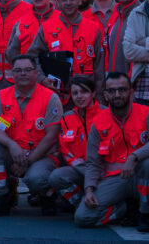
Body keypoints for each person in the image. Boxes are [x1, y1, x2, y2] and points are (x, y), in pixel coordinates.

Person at [0, 54, 63, 216]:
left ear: (36, 72)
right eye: (18, 70)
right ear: (12, 73)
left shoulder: (50, 98)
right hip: (13, 153)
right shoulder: (2, 96)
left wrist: (28, 161)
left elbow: (51, 137)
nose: (23, 73)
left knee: (36, 179)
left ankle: (47, 195)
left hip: (41, 155)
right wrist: (12, 146)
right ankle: (3, 194)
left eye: (27, 70)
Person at [75, 71, 149, 230]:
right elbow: (93, 162)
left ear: (131, 91)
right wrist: (89, 190)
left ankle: (146, 214)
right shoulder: (99, 122)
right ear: (105, 95)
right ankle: (124, 209)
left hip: (143, 175)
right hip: (115, 179)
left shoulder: (148, 113)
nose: (117, 94)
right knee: (83, 218)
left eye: (122, 90)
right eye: (112, 91)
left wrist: (134, 156)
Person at [24, 0, 104, 98]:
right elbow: (32, 57)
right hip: (56, 95)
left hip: (86, 95)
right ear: (57, 0)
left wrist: (99, 96)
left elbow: (99, 67)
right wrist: (41, 79)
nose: (68, 2)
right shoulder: (47, 28)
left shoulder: (93, 28)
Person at [47, 76, 103, 213]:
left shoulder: (106, 114)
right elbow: (66, 149)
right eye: (75, 93)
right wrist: (82, 168)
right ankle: (79, 202)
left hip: (103, 171)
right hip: (79, 169)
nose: (79, 96)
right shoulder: (67, 118)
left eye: (84, 92)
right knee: (56, 177)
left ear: (93, 93)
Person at [106, 0, 140, 76]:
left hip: (134, 84)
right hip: (113, 83)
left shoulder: (143, 15)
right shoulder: (115, 14)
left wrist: (130, 81)